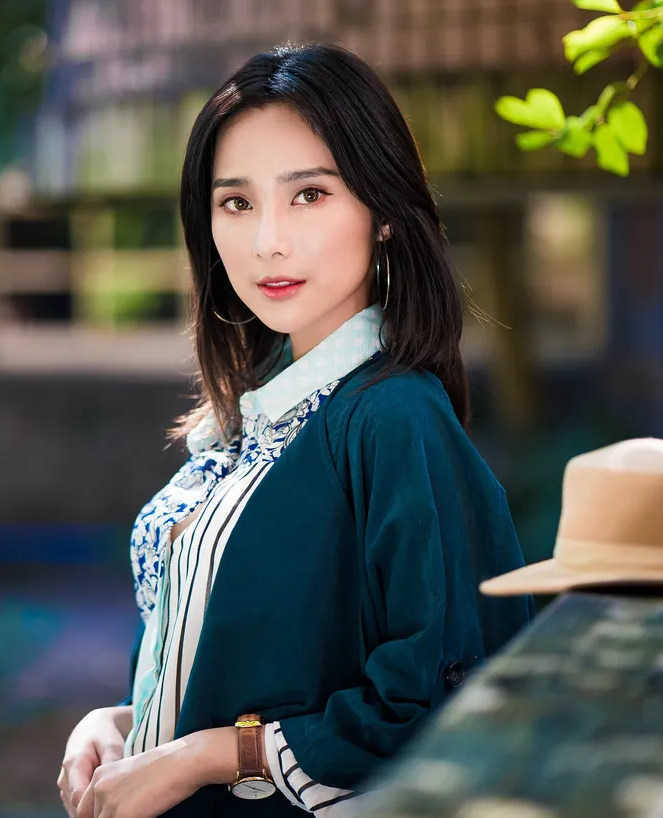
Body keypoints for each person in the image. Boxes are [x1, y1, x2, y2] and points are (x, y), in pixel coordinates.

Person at [57, 43, 535, 818]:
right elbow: (240, 662)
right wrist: (117, 725)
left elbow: (440, 699)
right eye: (236, 203)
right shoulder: (249, 416)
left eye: (309, 195)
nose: (266, 241)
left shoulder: (392, 417)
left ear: (383, 213)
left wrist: (209, 754)